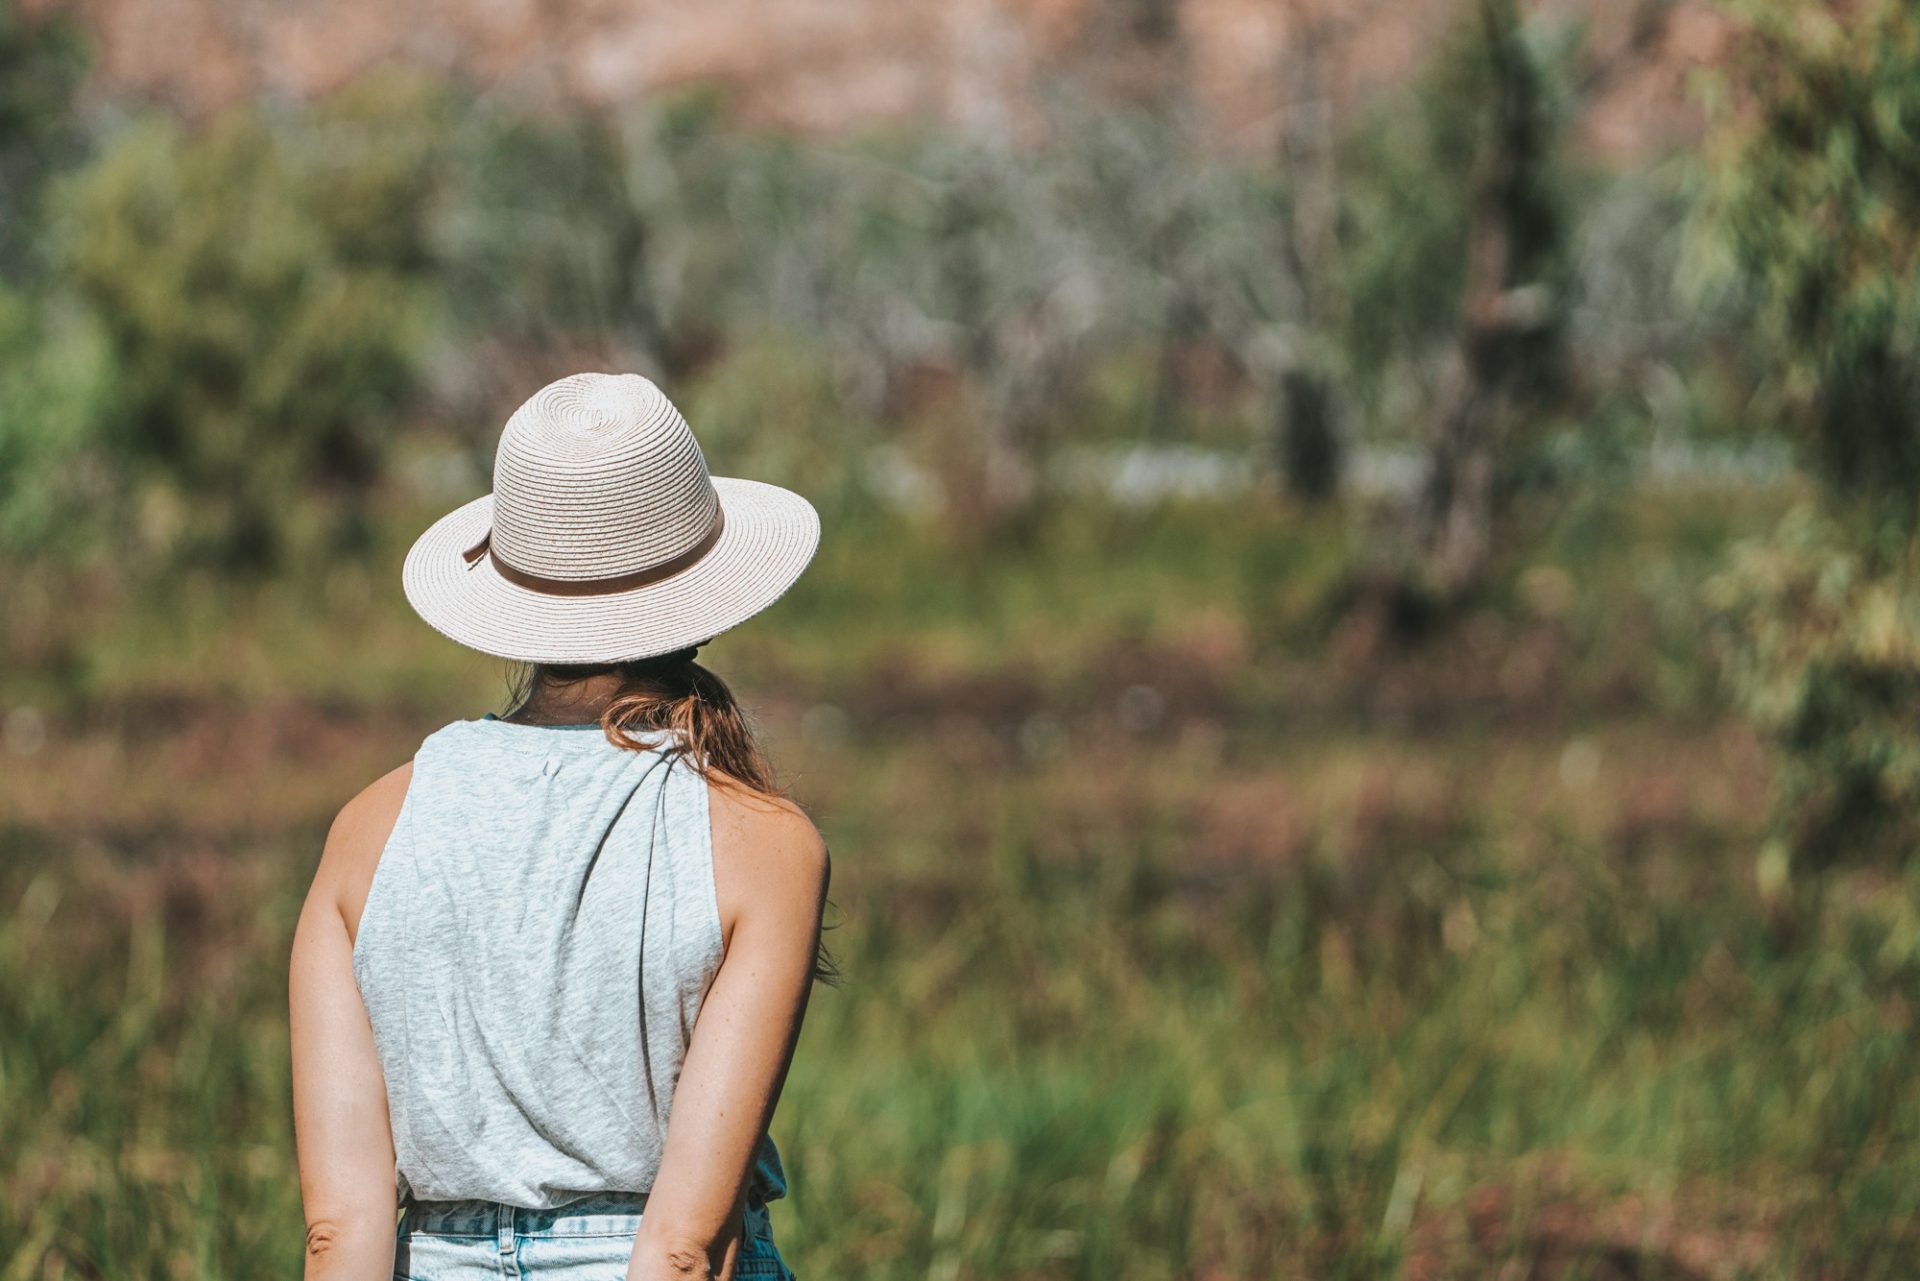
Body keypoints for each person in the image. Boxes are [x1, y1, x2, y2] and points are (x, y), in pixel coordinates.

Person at [289, 372, 831, 1281]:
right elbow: (684, 1249)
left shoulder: (367, 830)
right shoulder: (762, 842)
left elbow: (340, 1234)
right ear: (698, 606)